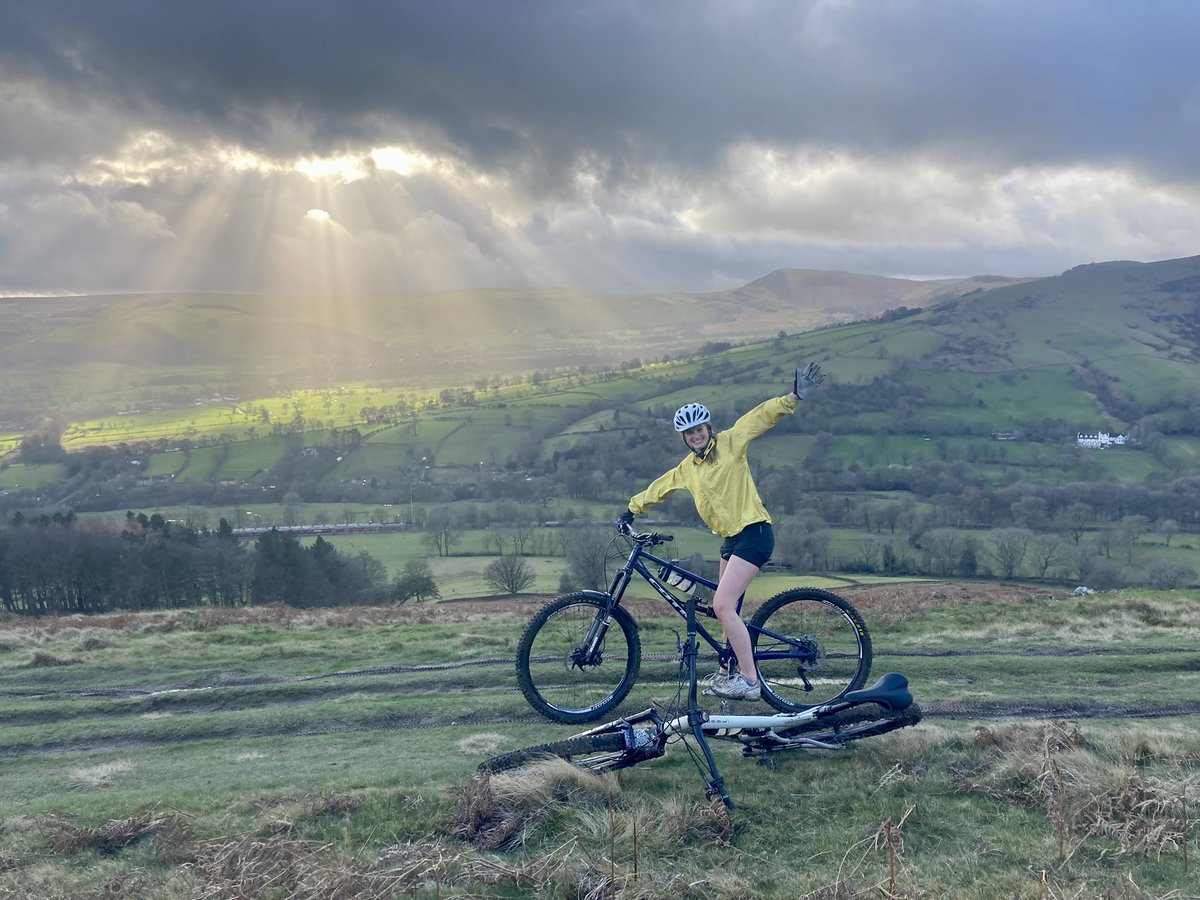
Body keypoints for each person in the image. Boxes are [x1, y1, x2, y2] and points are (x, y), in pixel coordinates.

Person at [617, 363, 826, 700]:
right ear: (684, 439)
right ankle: (726, 669)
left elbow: (760, 417)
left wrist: (793, 398)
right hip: (731, 540)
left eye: (699, 429)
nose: (695, 436)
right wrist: (631, 509)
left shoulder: (731, 442)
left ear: (708, 427)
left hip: (754, 532)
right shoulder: (688, 468)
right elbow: (661, 487)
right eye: (689, 434)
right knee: (723, 608)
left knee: (724, 606)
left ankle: (749, 680)